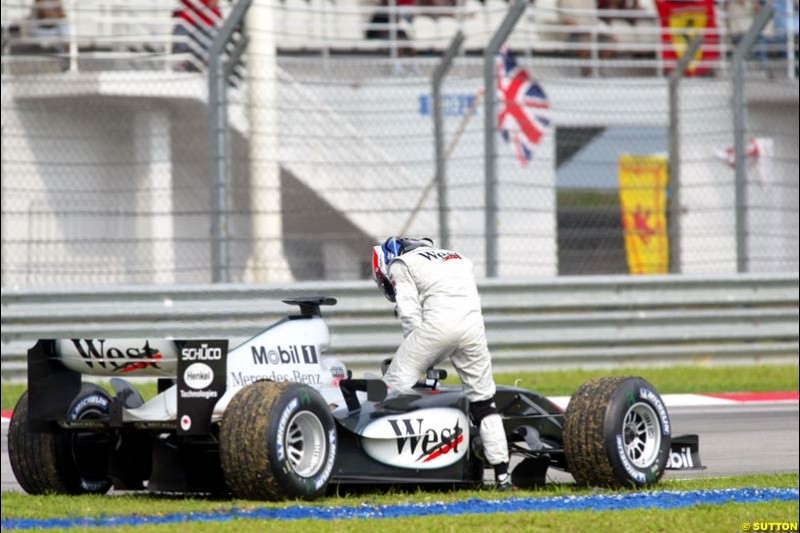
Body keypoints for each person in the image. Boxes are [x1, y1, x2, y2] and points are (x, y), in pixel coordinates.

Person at [371, 236, 513, 491]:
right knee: (484, 403)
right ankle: (503, 477)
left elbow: (409, 314)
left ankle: (389, 467)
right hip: (473, 329)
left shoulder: (400, 263)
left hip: (437, 328)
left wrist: (413, 355)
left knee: (389, 387)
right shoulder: (457, 258)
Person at [172, 0, 221, 72]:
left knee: (209, 41)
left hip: (207, 19)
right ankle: (184, 64)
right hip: (188, 19)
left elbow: (213, 3)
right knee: (181, 40)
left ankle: (205, 64)